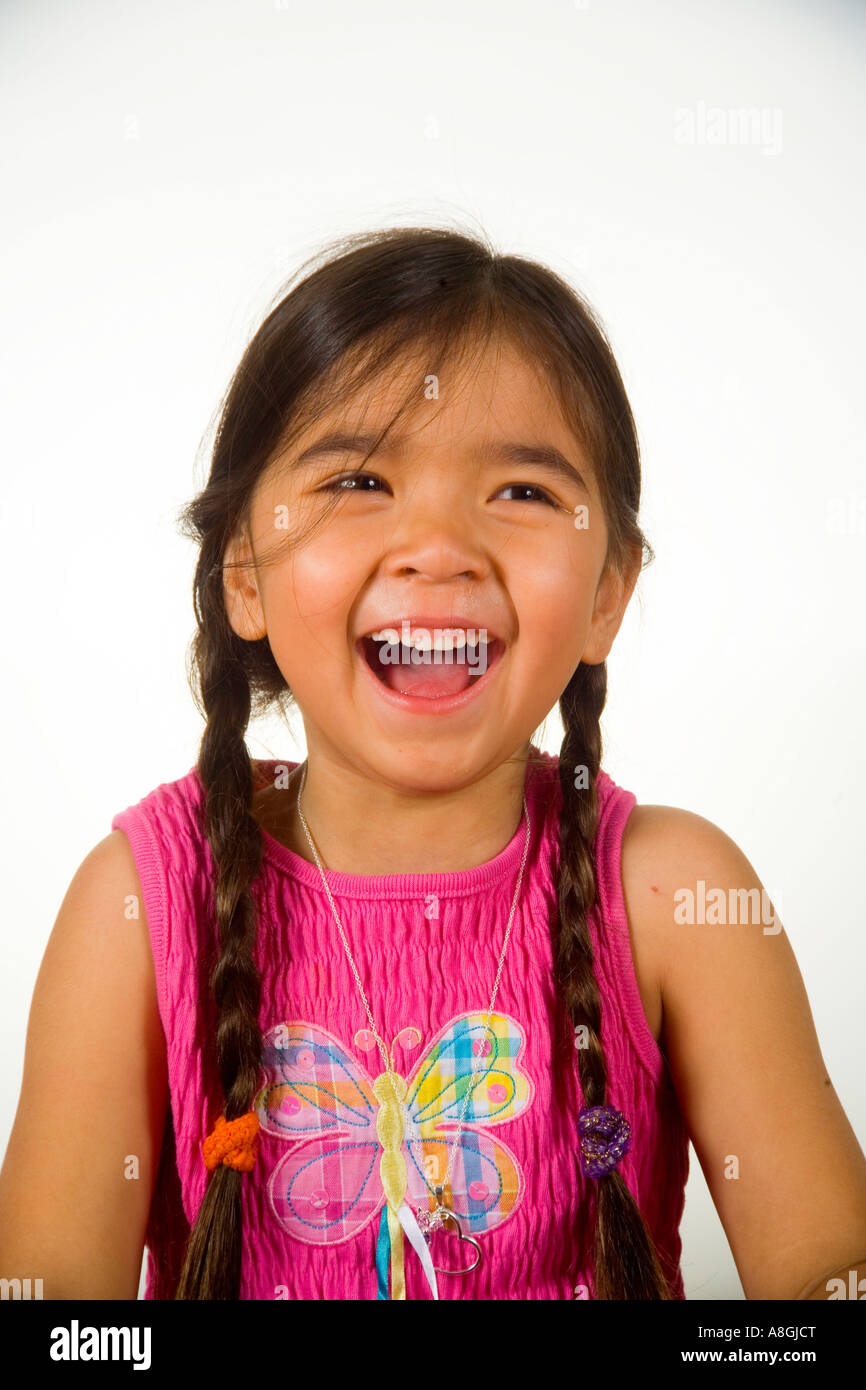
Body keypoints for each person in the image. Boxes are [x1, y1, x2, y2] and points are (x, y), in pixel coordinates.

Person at [2, 226, 865, 1300]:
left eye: (520, 492)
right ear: (244, 576)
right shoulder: (139, 905)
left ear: (606, 591)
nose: (438, 545)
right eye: (359, 479)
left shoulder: (673, 895)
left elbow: (828, 1289)